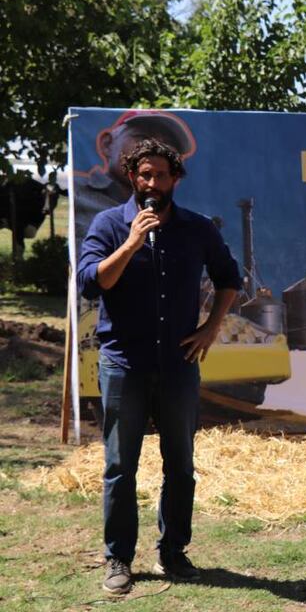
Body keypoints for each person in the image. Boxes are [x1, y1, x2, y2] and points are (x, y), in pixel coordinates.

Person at [76, 139, 241, 594]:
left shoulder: (197, 228)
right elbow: (92, 283)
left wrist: (211, 328)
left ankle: (173, 552)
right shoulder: (110, 224)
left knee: (180, 465)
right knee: (119, 467)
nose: (152, 183)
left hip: (178, 364)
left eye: (161, 175)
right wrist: (130, 243)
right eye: (144, 175)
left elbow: (230, 278)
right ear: (132, 177)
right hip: (124, 365)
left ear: (175, 179)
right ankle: (119, 559)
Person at [74, 110, 196, 244]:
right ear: (107, 144)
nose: (154, 150)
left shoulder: (186, 220)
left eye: (167, 144)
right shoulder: (78, 193)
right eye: (142, 137)